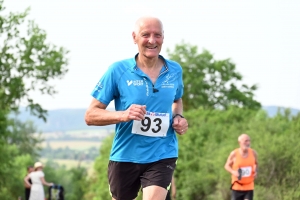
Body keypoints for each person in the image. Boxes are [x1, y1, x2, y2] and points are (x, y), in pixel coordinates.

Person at [85, 16, 188, 200]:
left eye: (157, 35)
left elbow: (177, 100)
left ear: (163, 37)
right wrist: (124, 115)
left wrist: (178, 116)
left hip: (162, 151)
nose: (152, 40)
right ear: (134, 38)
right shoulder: (118, 70)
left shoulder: (174, 71)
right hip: (125, 155)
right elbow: (90, 115)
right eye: (145, 35)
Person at [224, 134, 258, 200]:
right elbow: (226, 166)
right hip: (237, 186)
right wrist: (233, 172)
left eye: (249, 141)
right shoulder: (234, 154)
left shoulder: (253, 153)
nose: (248, 143)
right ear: (239, 143)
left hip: (249, 186)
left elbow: (256, 164)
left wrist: (256, 171)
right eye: (245, 141)